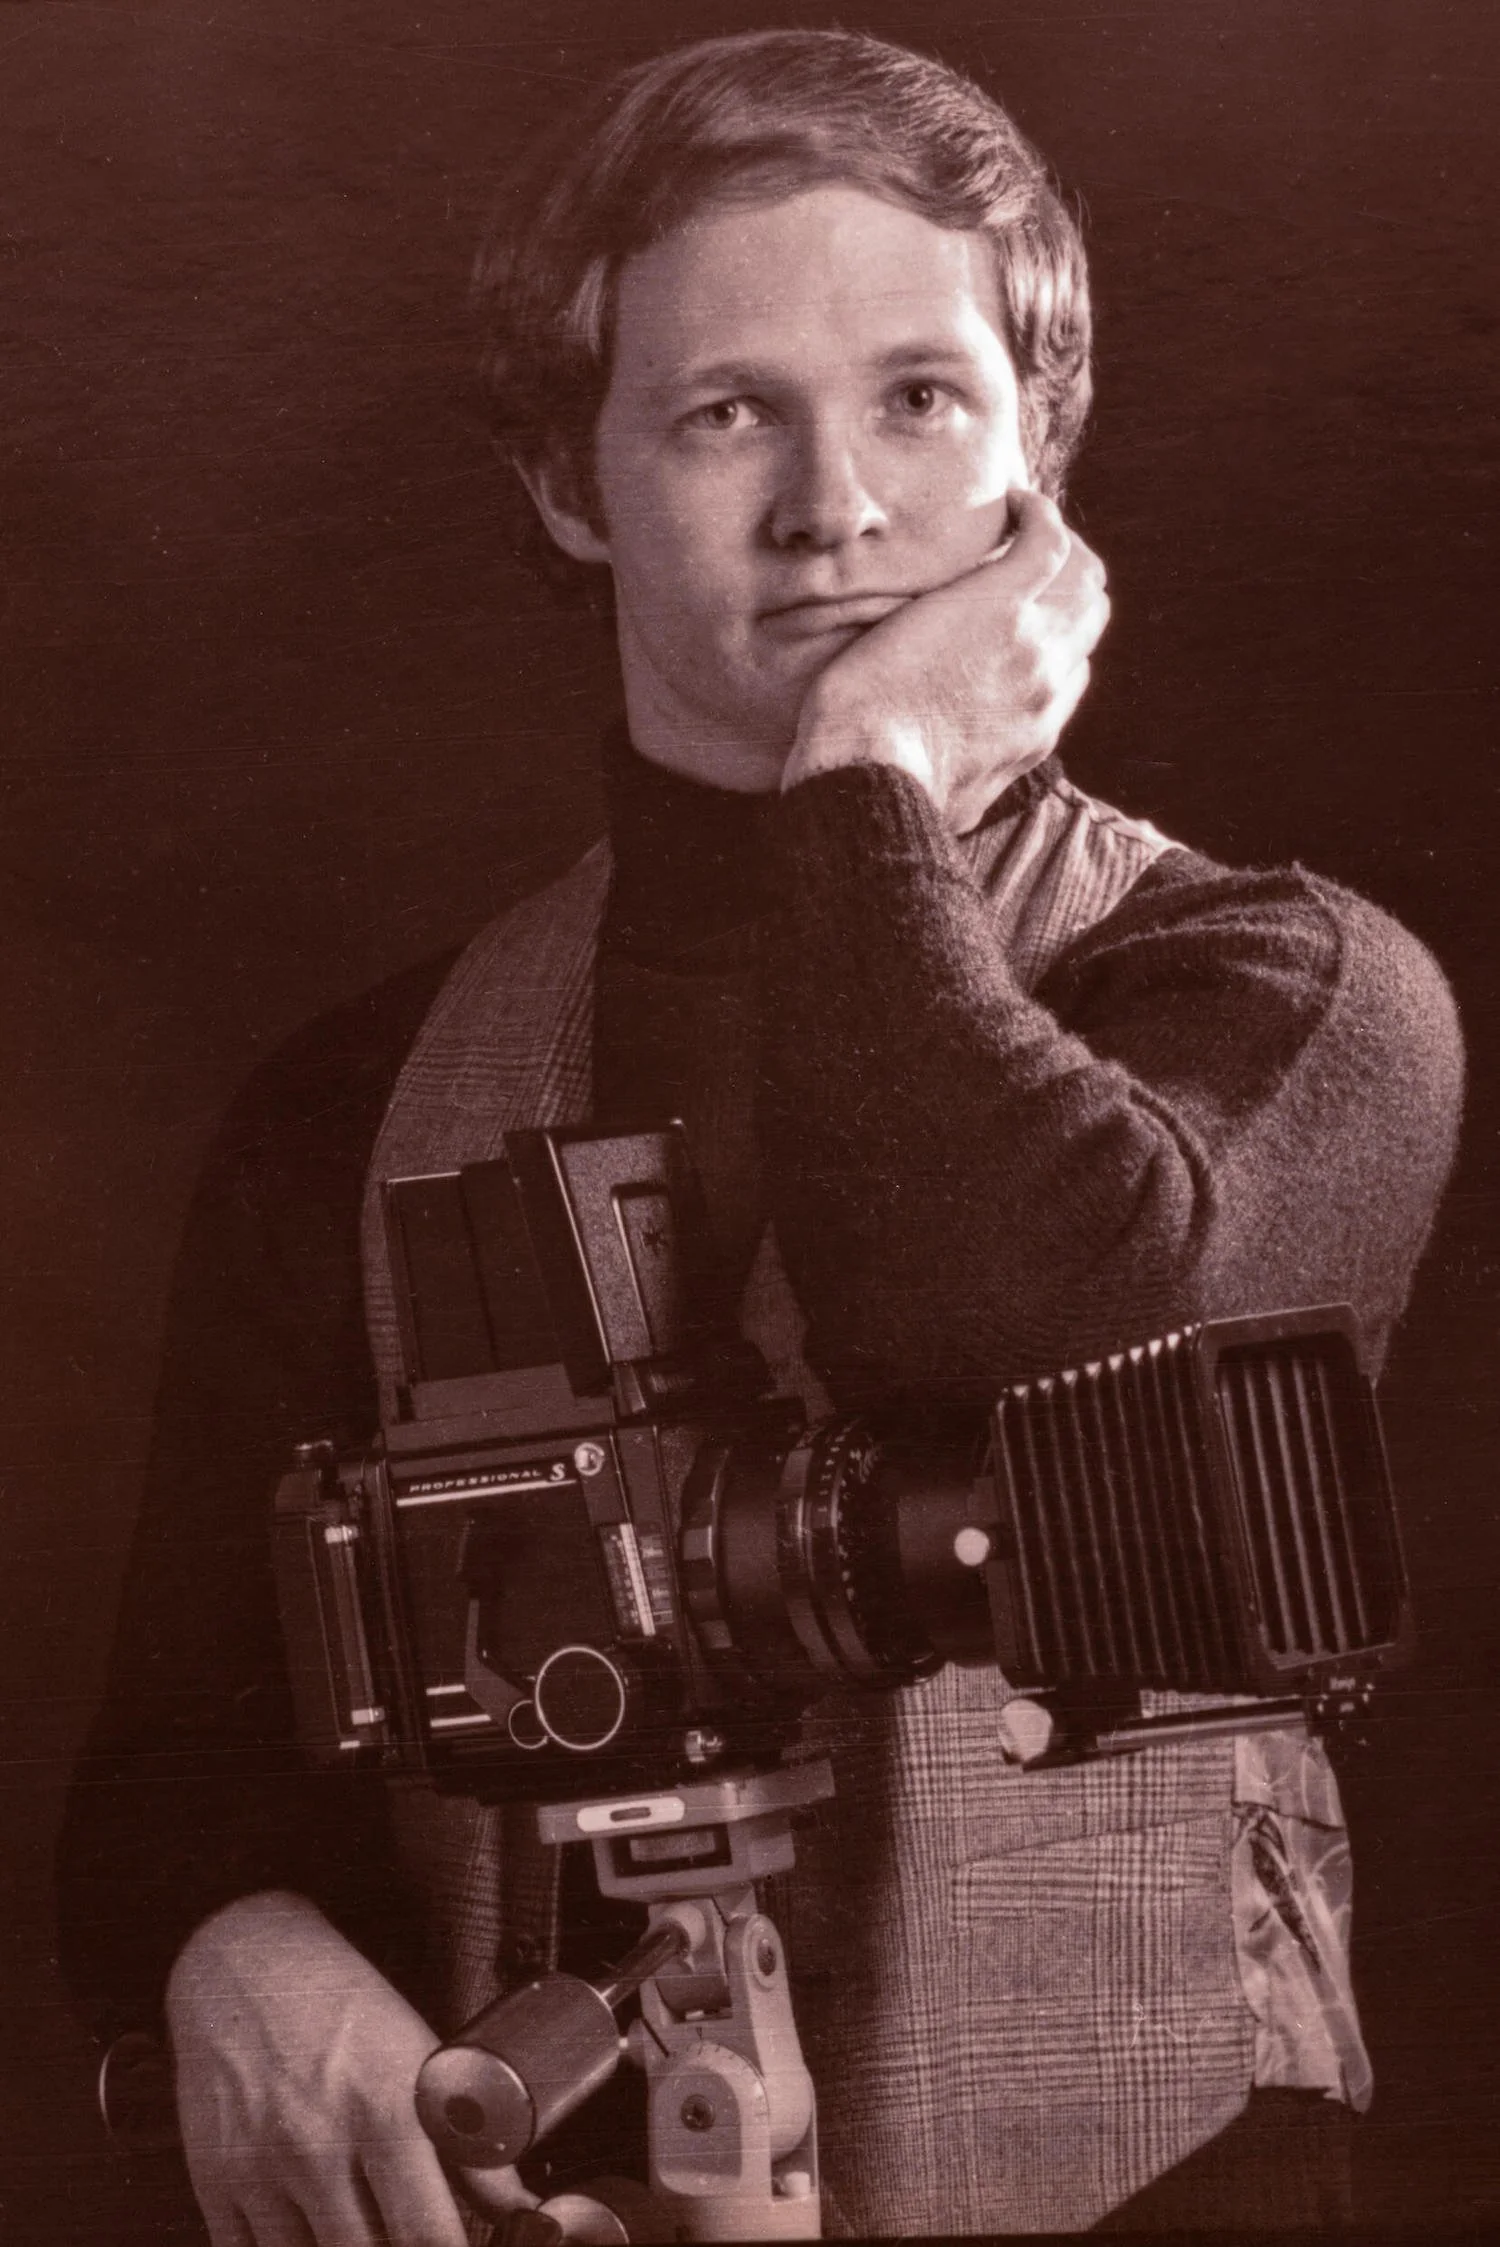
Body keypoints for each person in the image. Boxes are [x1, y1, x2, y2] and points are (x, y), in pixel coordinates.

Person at [59, 27, 1464, 2243]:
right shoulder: (351, 1097)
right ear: (566, 481)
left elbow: (997, 1320)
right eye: (729, 414)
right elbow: (169, 1767)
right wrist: (227, 1945)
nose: (838, 507)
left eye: (922, 398)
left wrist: (868, 774)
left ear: (1042, 462)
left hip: (1170, 2187)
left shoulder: (1295, 993)